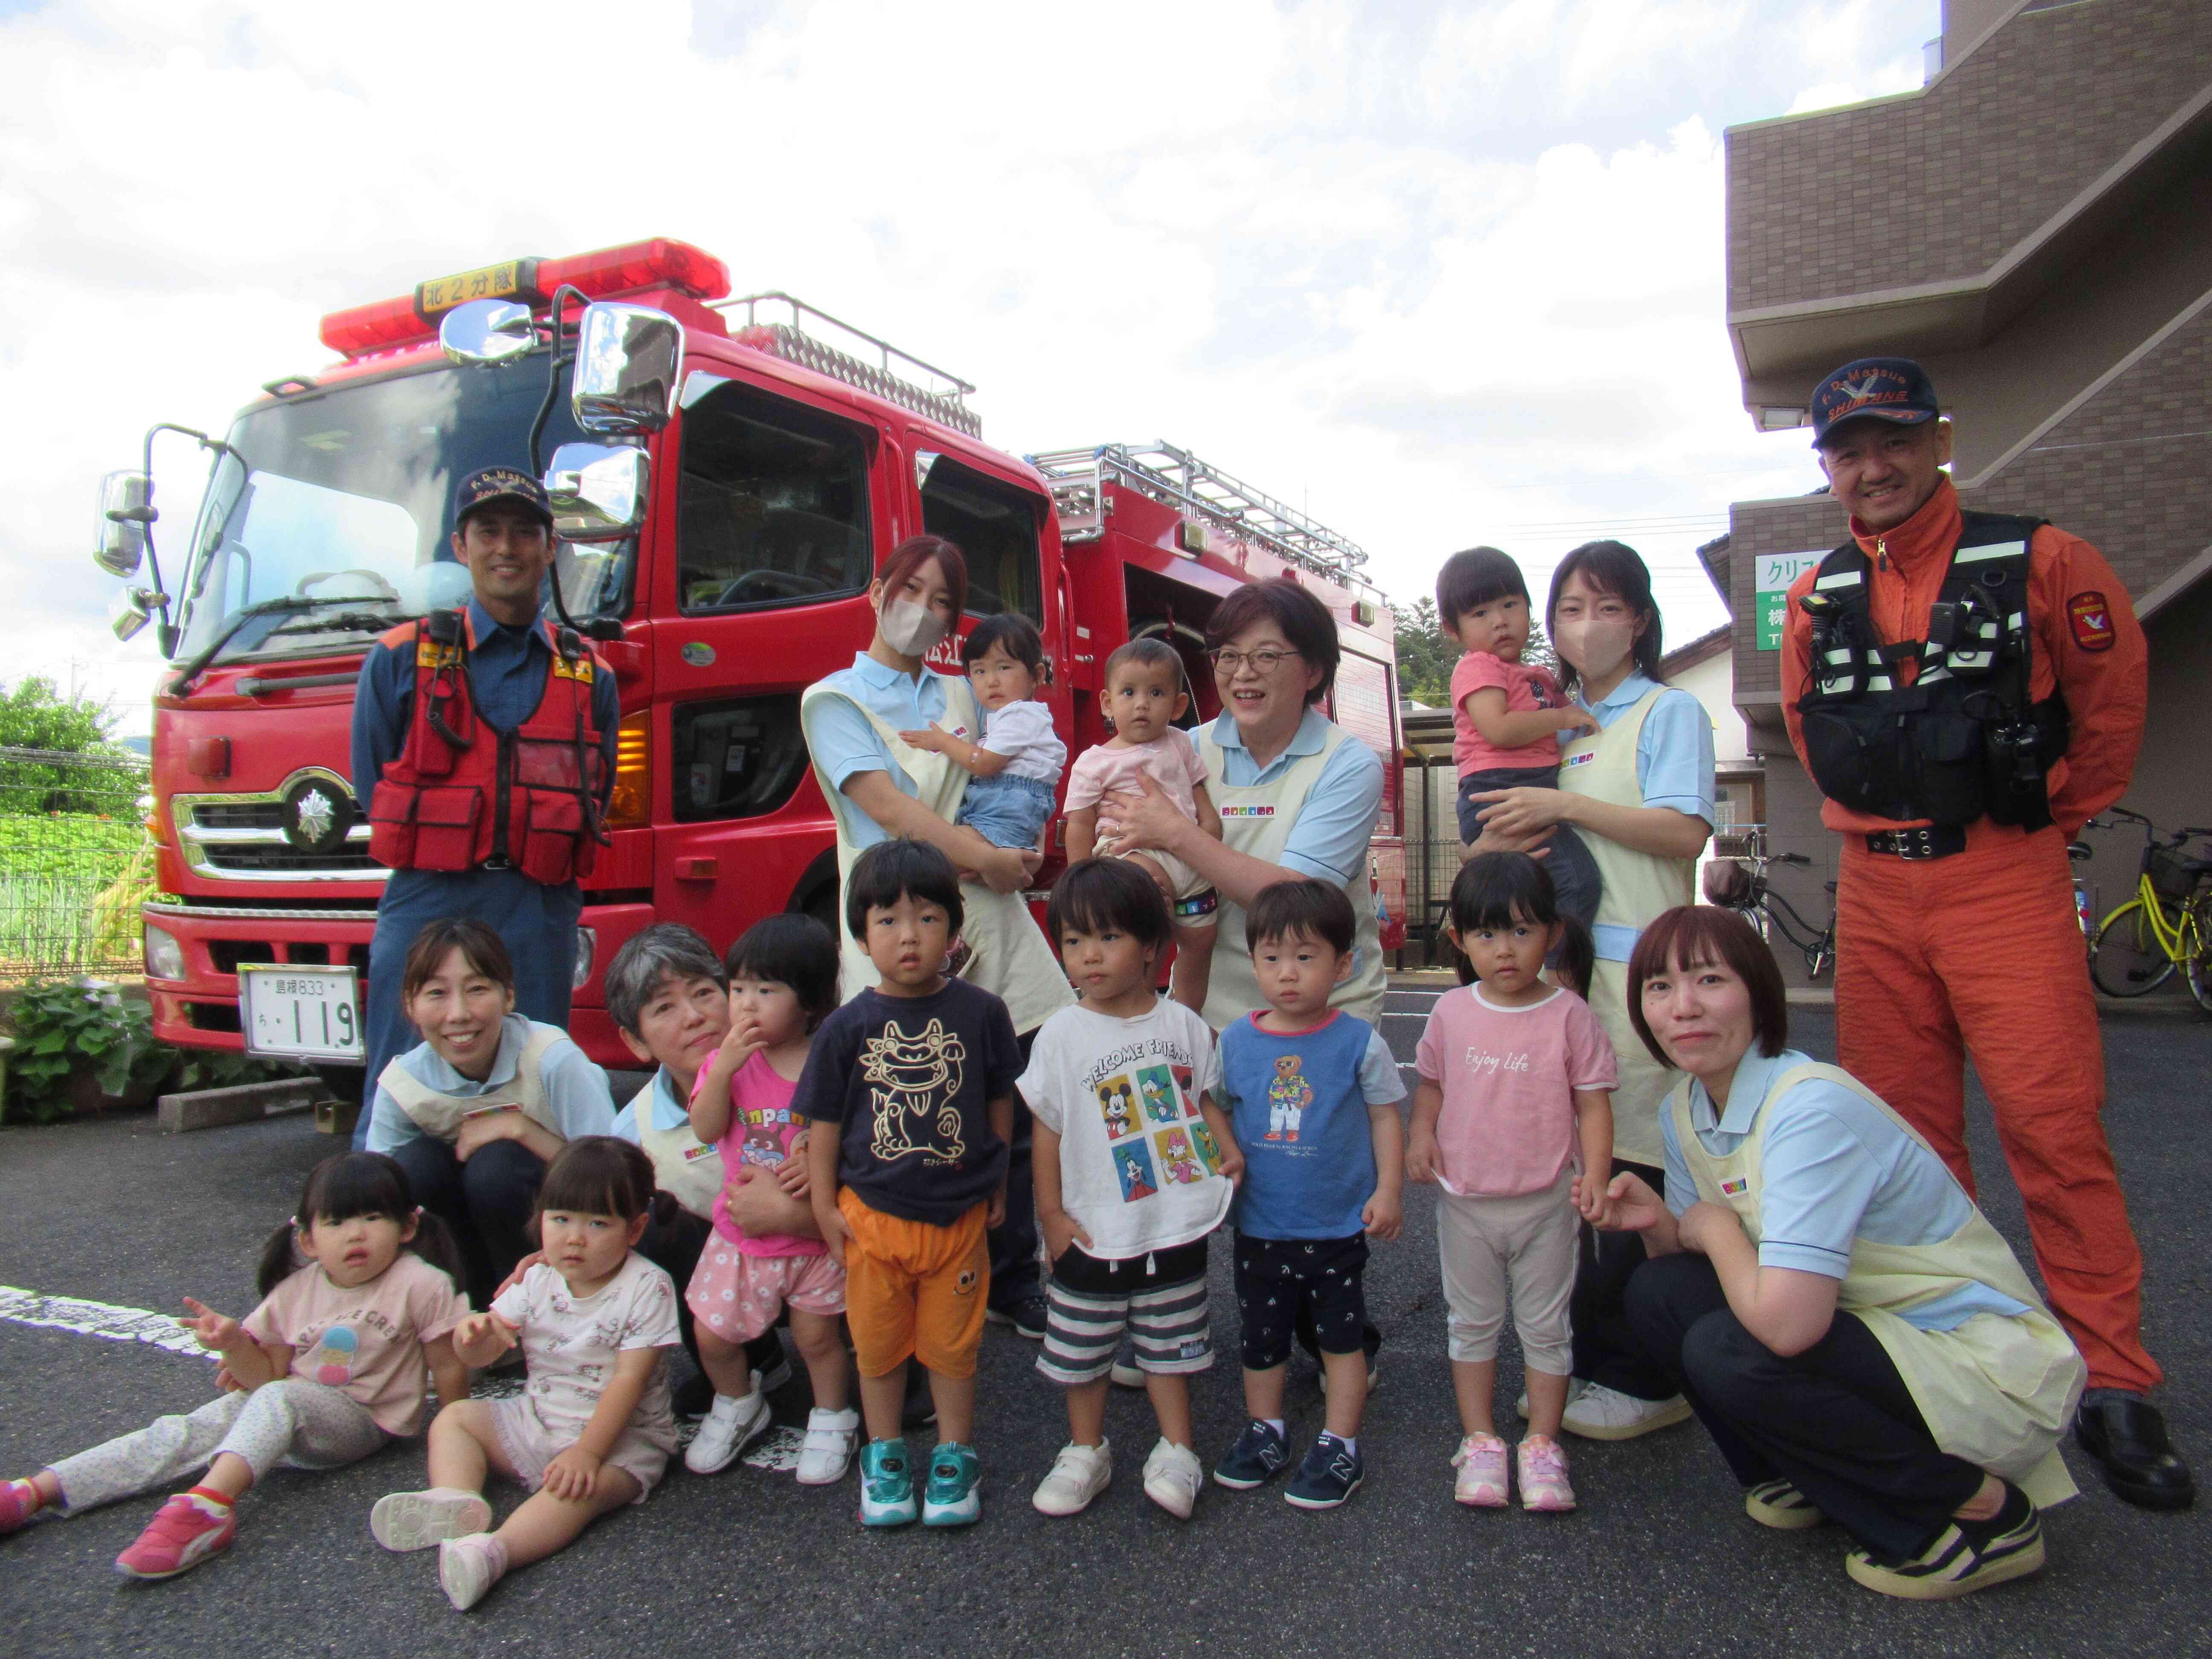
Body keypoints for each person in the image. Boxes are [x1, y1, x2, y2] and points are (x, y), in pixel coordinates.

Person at [1779, 356, 2188, 1511]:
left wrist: (2043, 821)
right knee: (1907, 1151)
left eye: (1894, 441)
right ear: (1829, 469)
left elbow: (2112, 706)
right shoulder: (1817, 596)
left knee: (2055, 1133)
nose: (1875, 466)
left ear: (1939, 440)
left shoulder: (2046, 559)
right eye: (1850, 451)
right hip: (1875, 889)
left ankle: (2114, 1378)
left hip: (2001, 881)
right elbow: (1813, 732)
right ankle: (1952, 1366)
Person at [1599, 905, 2086, 1601]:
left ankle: (1976, 1511)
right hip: (1869, 1333)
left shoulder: (1808, 1109)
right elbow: (1692, 1274)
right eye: (1657, 987)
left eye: (1708, 978)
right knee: (1659, 1293)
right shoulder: (1686, 1107)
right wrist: (1659, 1226)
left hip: (1975, 1361)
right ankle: (1816, 1472)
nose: (1682, 1007)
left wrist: (1712, 1229)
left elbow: (1784, 1323)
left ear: (1758, 993)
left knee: (1729, 1347)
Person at [1098, 577, 1393, 1381]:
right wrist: (1144, 863)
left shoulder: (1347, 763)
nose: (1242, 672)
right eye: (1227, 655)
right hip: (1210, 1002)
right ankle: (1170, 1327)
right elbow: (1146, 858)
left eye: (1267, 654)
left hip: (1316, 1013)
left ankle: (1330, 1332)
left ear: (1314, 669)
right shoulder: (1181, 747)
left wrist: (1174, 836)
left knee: (1302, 1180)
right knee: (1186, 1166)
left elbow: (1300, 899)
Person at [1464, 539, 1714, 1442]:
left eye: (1606, 607)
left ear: (1640, 620)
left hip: (1642, 975)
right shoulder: (1552, 718)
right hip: (1565, 976)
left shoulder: (1667, 712)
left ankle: (1647, 1375)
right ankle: (1573, 1364)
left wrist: (1564, 808)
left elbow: (1684, 833)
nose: (1584, 624)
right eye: (1568, 607)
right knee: (1575, 1177)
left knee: (1633, 1171)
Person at [799, 533, 1071, 1343]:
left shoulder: (968, 691)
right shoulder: (834, 699)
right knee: (913, 1111)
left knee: (1017, 1107)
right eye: (910, 589)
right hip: (901, 927)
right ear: (876, 589)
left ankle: (1012, 1274)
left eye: (942, 598)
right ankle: (911, 1270)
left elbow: (1026, 763)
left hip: (992, 921)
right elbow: (891, 811)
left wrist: (1027, 837)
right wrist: (988, 857)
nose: (923, 609)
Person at [0, 1153, 467, 1580]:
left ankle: (209, 1508)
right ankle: (35, 1491)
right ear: (307, 1240)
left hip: (362, 1423)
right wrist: (232, 1345)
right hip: (288, 1410)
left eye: (373, 1218)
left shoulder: (420, 1283)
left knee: (279, 1398)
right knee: (184, 1430)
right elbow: (266, 1376)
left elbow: (446, 1365)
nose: (356, 1233)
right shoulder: (293, 1293)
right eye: (337, 1221)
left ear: (407, 1227)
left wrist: (455, 1433)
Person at [352, 467, 618, 1148]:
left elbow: (598, 787)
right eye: (489, 531)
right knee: (398, 1092)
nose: (508, 548)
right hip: (425, 899)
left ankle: (548, 1250)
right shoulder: (398, 659)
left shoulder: (592, 675)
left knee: (536, 1095)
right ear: (460, 545)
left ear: (550, 546)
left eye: (525, 532)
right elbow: (369, 781)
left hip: (536, 908)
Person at [797, 839, 1022, 1528]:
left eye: (926, 918)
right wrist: (821, 1205)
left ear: (953, 931)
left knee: (954, 1348)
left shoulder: (981, 1013)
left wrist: (998, 1183)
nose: (908, 935)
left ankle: (955, 1454)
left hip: (957, 1219)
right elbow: (826, 1124)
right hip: (871, 1215)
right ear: (860, 934)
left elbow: (996, 1102)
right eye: (888, 919)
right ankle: (885, 1453)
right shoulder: (845, 1026)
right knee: (877, 1344)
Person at [371, 1138, 680, 1612]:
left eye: (598, 1223)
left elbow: (628, 1381)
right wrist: (473, 1338)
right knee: (454, 1420)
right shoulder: (536, 1278)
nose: (575, 1237)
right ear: (540, 1219)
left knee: (578, 1492)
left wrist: (587, 1452)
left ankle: (495, 1553)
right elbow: (488, 1348)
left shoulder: (646, 1286)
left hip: (622, 1440)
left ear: (635, 1229)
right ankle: (454, 1501)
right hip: (537, 1418)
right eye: (560, 1220)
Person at [1021, 859, 1237, 1521]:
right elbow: (1048, 1131)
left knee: (1170, 1344)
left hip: (1172, 1216)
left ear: (1151, 946)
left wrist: (1227, 1149)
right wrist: (1052, 1215)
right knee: (1083, 1348)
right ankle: (1086, 1449)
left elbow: (1198, 1099)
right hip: (1089, 1224)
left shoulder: (1183, 1025)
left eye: (1107, 939)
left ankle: (1178, 1449)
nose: (1088, 956)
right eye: (1074, 942)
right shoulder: (1061, 1034)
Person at [1408, 853, 1615, 1512]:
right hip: (1466, 1201)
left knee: (1546, 1326)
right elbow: (1432, 1087)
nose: (1505, 950)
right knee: (1471, 1323)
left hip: (1549, 1201)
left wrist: (1599, 1177)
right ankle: (1481, 1440)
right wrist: (1421, 1135)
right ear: (1460, 940)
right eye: (1488, 934)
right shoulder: (1450, 1011)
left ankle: (1544, 1445)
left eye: (1523, 932)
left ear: (1552, 933)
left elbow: (1593, 1103)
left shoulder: (1570, 1015)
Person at [1207, 879, 1405, 1511]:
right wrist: (1225, 1152)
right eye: (1271, 959)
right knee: (1259, 1337)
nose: (1287, 974)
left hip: (1336, 1226)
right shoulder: (1236, 1040)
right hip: (1260, 1226)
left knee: (1340, 1341)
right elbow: (1212, 1103)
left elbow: (1384, 1117)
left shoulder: (1357, 1042)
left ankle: (1341, 1444)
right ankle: (1266, 1431)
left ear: (1343, 965)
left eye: (1305, 957)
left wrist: (1390, 1191)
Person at [681, 914, 855, 1486]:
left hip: (810, 1241)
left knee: (817, 1338)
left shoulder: (829, 1060)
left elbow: (849, 1134)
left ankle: (832, 1417)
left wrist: (817, 1155)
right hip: (743, 1236)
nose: (747, 1005)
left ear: (808, 1002)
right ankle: (737, 1401)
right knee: (712, 1332)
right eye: (738, 989)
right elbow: (706, 1129)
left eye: (767, 990)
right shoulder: (727, 1063)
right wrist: (725, 1068)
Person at [363, 918, 615, 1306]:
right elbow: (372, 1204)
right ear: (411, 1005)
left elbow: (618, 1172)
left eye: (477, 989)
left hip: (560, 1233)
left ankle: (535, 1309)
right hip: (459, 1248)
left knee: (496, 1169)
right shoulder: (402, 1085)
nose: (459, 1014)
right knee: (410, 1169)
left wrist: (521, 1130)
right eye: (436, 994)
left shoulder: (551, 1058)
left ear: (509, 996)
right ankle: (448, 1312)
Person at [603, 924, 797, 1413]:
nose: (693, 1017)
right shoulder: (636, 1128)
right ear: (635, 1041)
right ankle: (747, 1365)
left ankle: (883, 1366)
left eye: (704, 992)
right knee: (651, 1224)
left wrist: (794, 1216)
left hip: (821, 1251)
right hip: (735, 1271)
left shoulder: (800, 1066)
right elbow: (596, 1216)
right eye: (664, 1007)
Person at [1436, 546, 1601, 935]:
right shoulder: (1478, 667)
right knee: (1575, 883)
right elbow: (1500, 729)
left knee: (1538, 892)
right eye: (1480, 614)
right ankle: (1561, 972)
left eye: (1510, 605)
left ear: (1529, 608)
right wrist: (1561, 716)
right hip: (1499, 790)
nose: (1500, 622)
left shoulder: (1536, 675)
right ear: (1452, 629)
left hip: (1527, 790)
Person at [1063, 638, 1225, 1013]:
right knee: (1144, 926)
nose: (1141, 704)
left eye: (1156, 693)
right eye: (1129, 692)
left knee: (1202, 941)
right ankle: (1143, 1001)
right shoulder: (1095, 761)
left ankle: (1188, 1015)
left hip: (1190, 854)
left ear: (1178, 705)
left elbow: (1197, 791)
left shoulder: (1182, 743)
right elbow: (1080, 823)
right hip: (1128, 853)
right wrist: (1080, 880)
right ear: (1108, 703)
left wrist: (1210, 825)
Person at [898, 611, 1067, 858]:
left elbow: (984, 763)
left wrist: (943, 741)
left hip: (1005, 811)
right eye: (980, 671)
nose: (992, 681)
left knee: (936, 854)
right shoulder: (1014, 716)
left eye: (1004, 667)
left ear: (1037, 675)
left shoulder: (1020, 715)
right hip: (1001, 808)